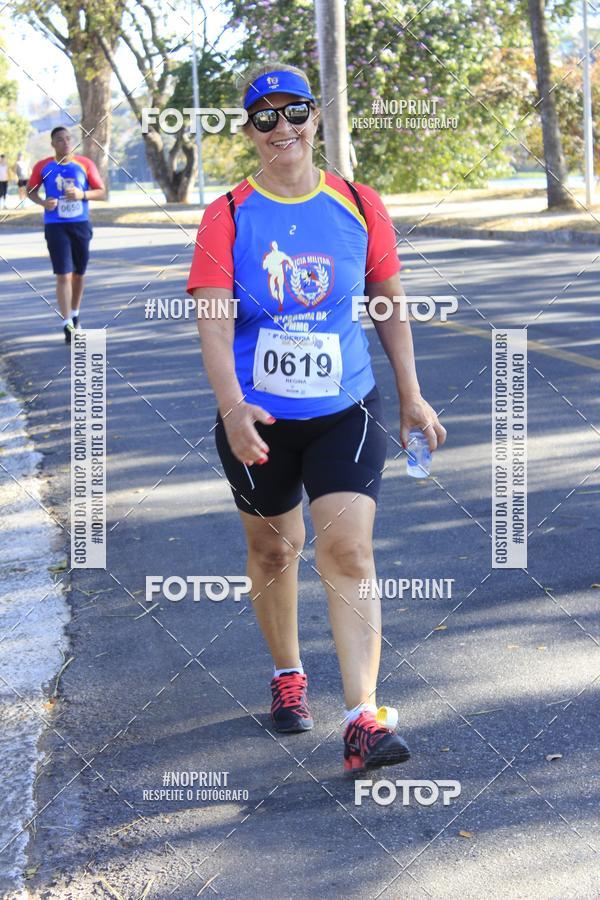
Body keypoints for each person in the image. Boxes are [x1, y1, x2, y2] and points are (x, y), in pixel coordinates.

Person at [187, 63, 446, 776]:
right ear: (248, 131)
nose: (282, 128)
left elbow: (388, 304)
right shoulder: (230, 214)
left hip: (347, 409)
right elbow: (212, 326)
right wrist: (233, 407)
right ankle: (287, 672)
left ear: (316, 117)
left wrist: (413, 394)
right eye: (264, 117)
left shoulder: (360, 204)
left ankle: (363, 717)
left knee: (349, 550)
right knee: (275, 551)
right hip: (257, 419)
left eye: (293, 111)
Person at [28, 127, 106, 343]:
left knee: (78, 274)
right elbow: (30, 190)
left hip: (80, 224)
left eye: (68, 139)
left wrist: (82, 194)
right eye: (60, 140)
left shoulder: (84, 164)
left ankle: (75, 312)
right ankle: (67, 323)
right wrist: (44, 202)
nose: (65, 142)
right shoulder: (43, 166)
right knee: (63, 274)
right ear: (53, 144)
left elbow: (101, 191)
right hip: (55, 225)